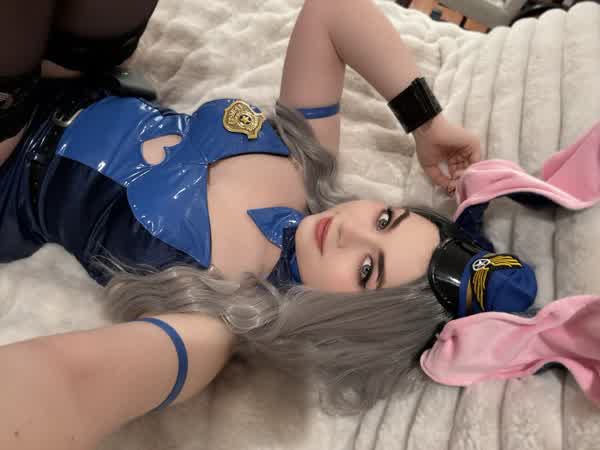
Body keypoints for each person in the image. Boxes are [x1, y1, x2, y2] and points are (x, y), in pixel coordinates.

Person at [0, 0, 486, 448]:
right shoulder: (310, 161)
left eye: (366, 270)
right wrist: (427, 124)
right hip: (77, 81)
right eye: (384, 219)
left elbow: (69, 385)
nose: (349, 231)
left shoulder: (216, 319)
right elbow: (333, 12)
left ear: (346, 326)